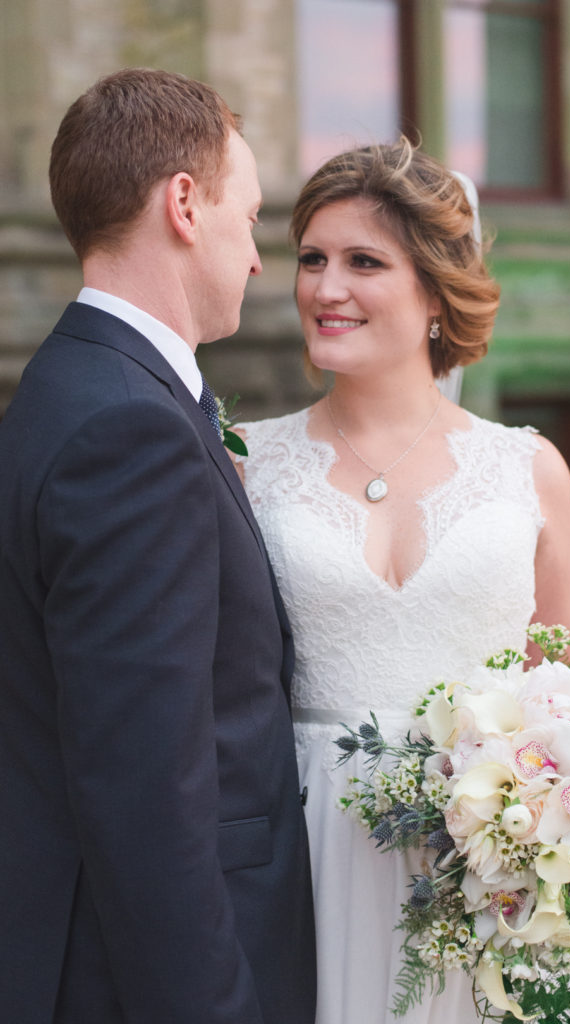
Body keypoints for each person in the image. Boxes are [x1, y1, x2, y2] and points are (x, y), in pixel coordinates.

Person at [235, 138, 570, 1024]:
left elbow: (569, 678)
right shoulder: (246, 464)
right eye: (311, 259)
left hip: (486, 871)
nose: (324, 288)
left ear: (433, 291)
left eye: (363, 262)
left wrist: (542, 830)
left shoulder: (529, 467)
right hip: (304, 849)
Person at [0, 68, 315, 1024]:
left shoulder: (74, 390)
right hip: (137, 979)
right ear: (184, 203)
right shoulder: (129, 431)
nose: (260, 261)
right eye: (251, 218)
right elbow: (147, 793)